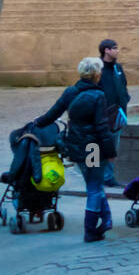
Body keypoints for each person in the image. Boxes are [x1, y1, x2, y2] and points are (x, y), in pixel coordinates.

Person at [34, 57, 116, 242]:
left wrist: (36, 124)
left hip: (76, 144)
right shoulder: (98, 96)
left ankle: (106, 219)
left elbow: (52, 114)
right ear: (96, 74)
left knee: (93, 184)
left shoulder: (71, 92)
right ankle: (90, 229)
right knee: (95, 187)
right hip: (93, 147)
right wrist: (110, 152)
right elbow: (102, 127)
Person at [97, 39, 130, 187]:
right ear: (106, 50)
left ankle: (107, 176)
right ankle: (96, 175)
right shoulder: (97, 68)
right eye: (115, 48)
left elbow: (123, 85)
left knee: (112, 146)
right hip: (102, 115)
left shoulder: (117, 68)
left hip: (117, 115)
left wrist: (125, 100)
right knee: (98, 145)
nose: (117, 51)